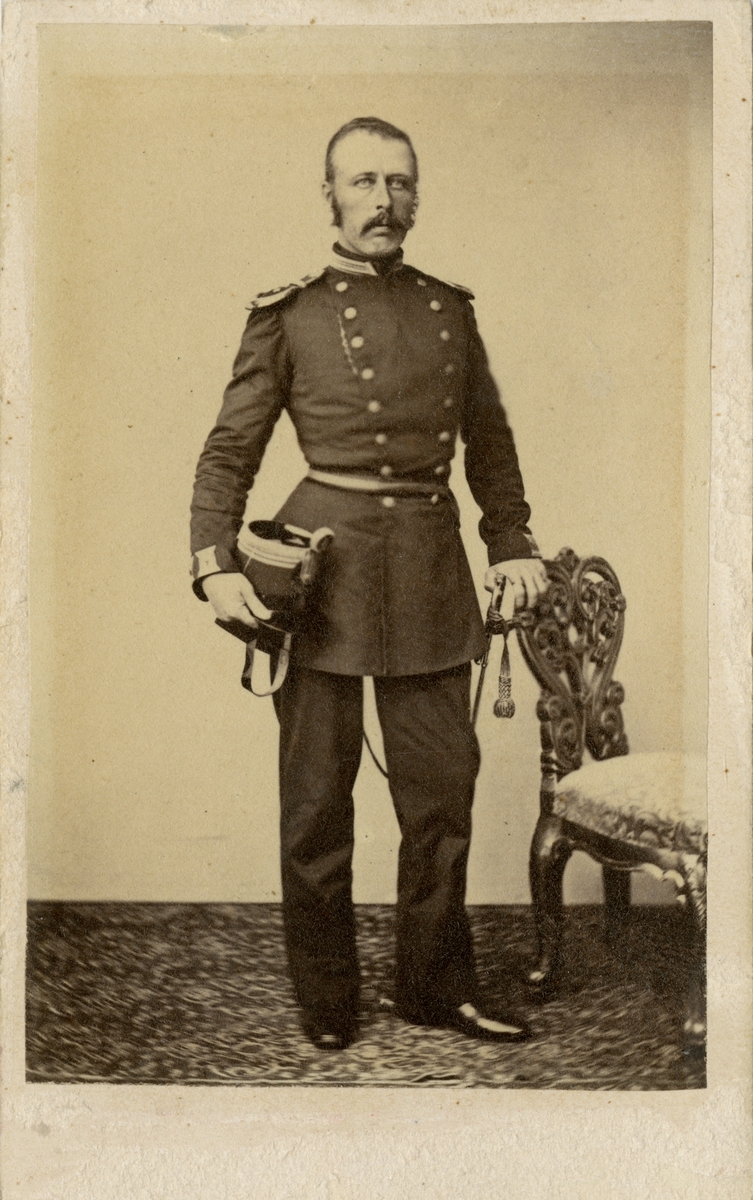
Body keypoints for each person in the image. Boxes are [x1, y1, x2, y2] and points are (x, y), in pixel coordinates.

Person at [190, 117, 549, 1051]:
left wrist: (511, 543)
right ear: (330, 196)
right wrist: (213, 563)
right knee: (317, 805)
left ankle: (435, 987)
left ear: (416, 196)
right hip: (320, 579)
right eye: (362, 182)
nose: (382, 201)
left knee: (441, 800)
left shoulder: (449, 308)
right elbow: (229, 452)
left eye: (399, 183)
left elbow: (490, 445)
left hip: (428, 573)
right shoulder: (289, 312)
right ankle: (326, 998)